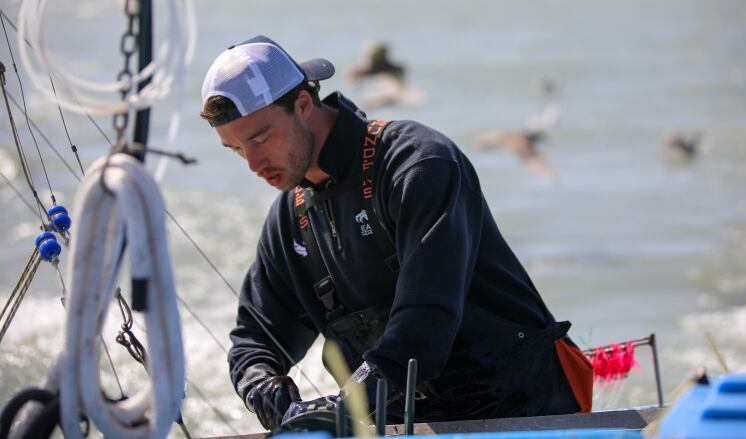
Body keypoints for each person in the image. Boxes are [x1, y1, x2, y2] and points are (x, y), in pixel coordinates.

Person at [200, 35, 593, 431]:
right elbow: (255, 340)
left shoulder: (417, 164)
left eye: (260, 138)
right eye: (235, 149)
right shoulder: (289, 220)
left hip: (526, 410)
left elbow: (427, 315)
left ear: (303, 104)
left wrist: (350, 400)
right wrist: (263, 386)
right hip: (402, 424)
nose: (252, 163)